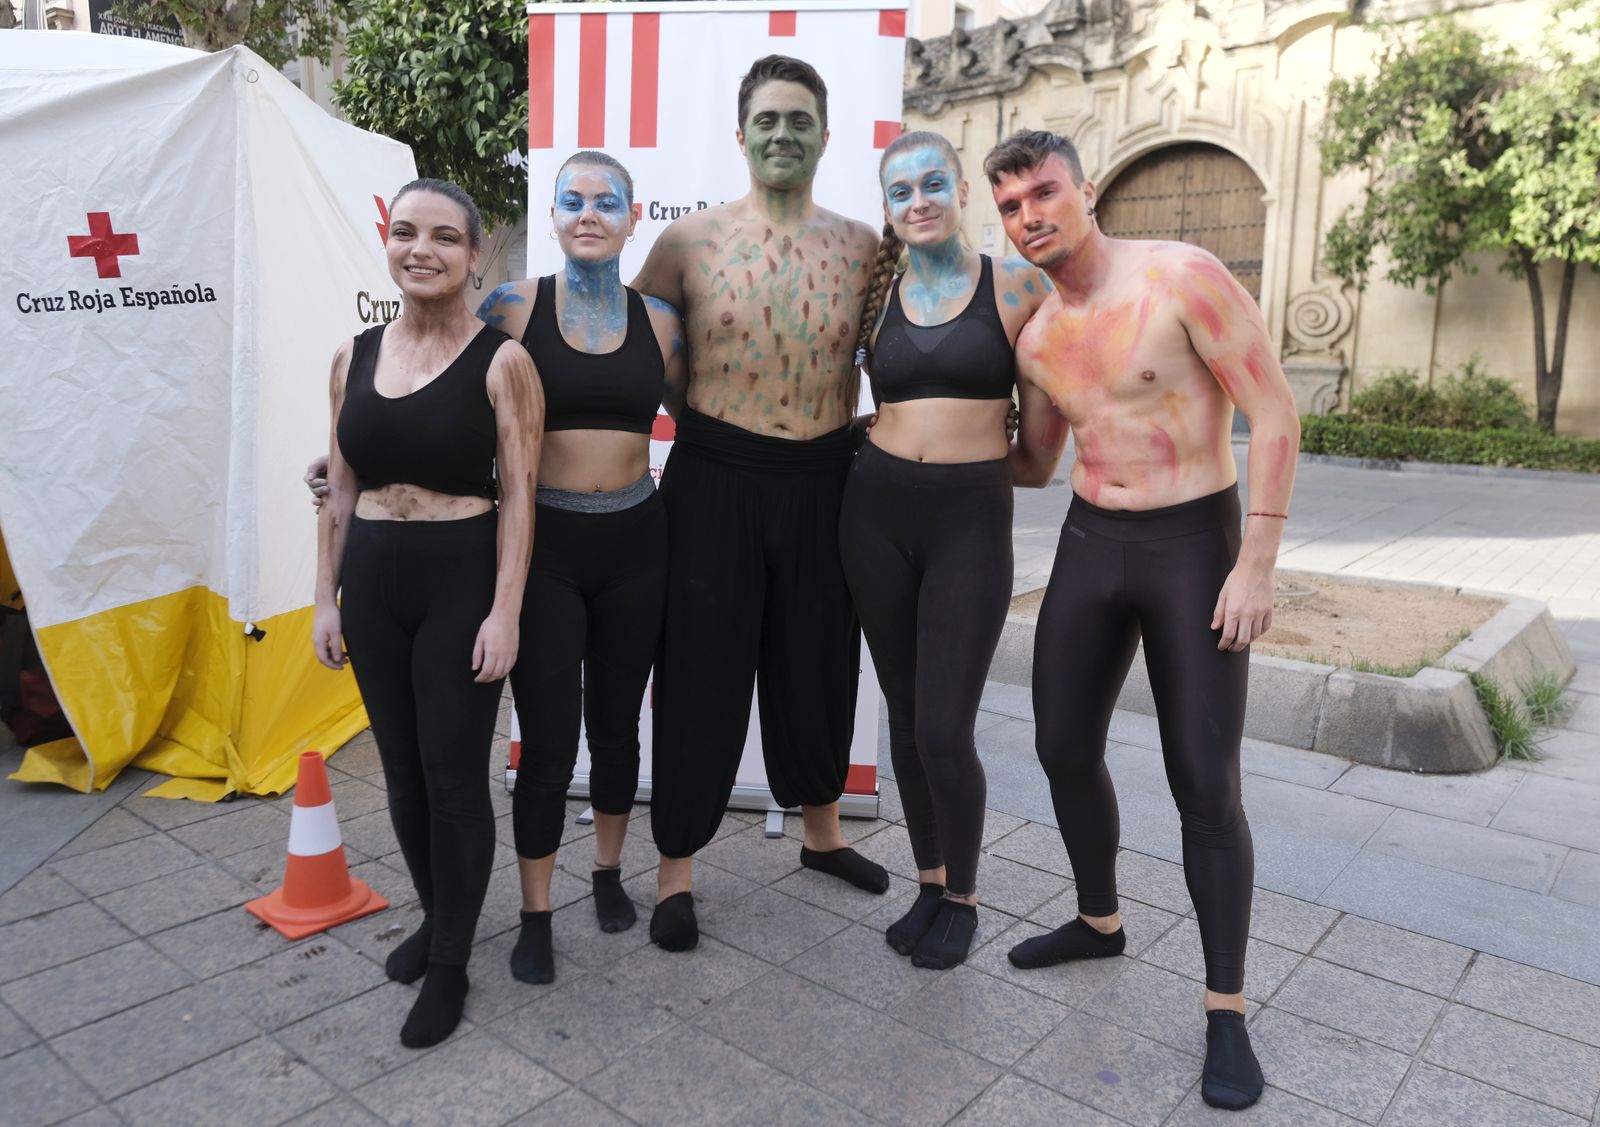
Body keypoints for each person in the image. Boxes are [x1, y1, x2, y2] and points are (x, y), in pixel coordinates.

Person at [986, 130, 1300, 1110]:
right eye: (1010, 206)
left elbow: (1276, 413)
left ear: (1085, 192)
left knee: (1203, 779)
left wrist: (1256, 563)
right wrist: (917, 437)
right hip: (1092, 537)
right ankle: (1099, 920)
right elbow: (1036, 461)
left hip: (1192, 541)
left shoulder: (1181, 277)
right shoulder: (1037, 335)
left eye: (1044, 193)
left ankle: (1224, 1006)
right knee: (1060, 746)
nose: (1029, 215)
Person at [630, 55, 889, 951]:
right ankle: (675, 872)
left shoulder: (864, 246)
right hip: (715, 477)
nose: (784, 134)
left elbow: (901, 352)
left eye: (799, 119)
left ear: (826, 135)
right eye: (768, 120)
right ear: (740, 135)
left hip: (825, 477)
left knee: (819, 664)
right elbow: (638, 355)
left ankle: (823, 835)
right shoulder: (686, 242)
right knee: (699, 670)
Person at [312, 178, 541, 1049]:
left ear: (475, 254)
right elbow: (340, 488)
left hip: (460, 577)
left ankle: (451, 962)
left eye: (445, 237)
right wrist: (323, 599)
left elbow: (520, 498)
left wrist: (505, 612)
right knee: (402, 775)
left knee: (452, 778)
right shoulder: (352, 356)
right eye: (406, 232)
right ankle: (435, 915)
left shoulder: (504, 362)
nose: (422, 250)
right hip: (373, 580)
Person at [840, 131, 1052, 969]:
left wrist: (970, 468)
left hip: (969, 521)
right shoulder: (875, 295)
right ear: (888, 208)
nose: (918, 200)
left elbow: (1040, 454)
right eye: (901, 191)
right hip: (874, 514)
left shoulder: (1019, 287)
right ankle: (929, 881)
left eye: (933, 183)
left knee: (944, 725)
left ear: (962, 192)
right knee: (901, 709)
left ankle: (963, 896)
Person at [473, 151, 685, 985]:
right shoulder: (513, 307)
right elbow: (453, 398)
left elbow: (704, 418)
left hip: (637, 541)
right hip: (546, 546)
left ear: (634, 218)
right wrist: (358, 463)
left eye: (606, 202)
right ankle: (535, 913)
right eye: (573, 200)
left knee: (619, 726)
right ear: (554, 216)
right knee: (549, 739)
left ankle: (607, 870)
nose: (589, 214)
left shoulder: (660, 321)